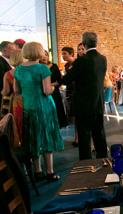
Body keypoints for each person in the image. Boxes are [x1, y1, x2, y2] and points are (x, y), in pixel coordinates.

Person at [14, 42, 63, 182]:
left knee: (33, 136)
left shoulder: (19, 69)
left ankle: (37, 171)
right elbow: (47, 91)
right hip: (43, 106)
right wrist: (53, 89)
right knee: (46, 136)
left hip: (28, 106)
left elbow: (17, 90)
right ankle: (49, 172)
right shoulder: (42, 68)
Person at [62, 31, 108, 160]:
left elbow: (67, 80)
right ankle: (103, 159)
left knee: (84, 136)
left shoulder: (82, 61)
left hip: (84, 104)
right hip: (98, 102)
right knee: (99, 133)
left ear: (84, 44)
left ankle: (85, 164)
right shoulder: (102, 58)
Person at [1, 49, 24, 143]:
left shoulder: (8, 74)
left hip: (17, 101)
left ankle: (20, 142)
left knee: (19, 123)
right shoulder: (29, 71)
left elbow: (6, 91)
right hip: (30, 97)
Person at [41, 51, 68, 129]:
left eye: (46, 55)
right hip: (42, 93)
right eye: (43, 55)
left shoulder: (53, 66)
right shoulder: (38, 67)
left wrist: (50, 84)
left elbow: (59, 81)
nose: (44, 57)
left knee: (55, 113)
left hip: (54, 93)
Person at [61, 46, 78, 147]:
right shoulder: (67, 65)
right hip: (69, 92)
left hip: (76, 92)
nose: (63, 56)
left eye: (65, 54)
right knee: (72, 116)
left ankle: (78, 138)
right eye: (62, 54)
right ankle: (77, 137)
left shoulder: (76, 64)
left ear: (71, 54)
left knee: (76, 117)